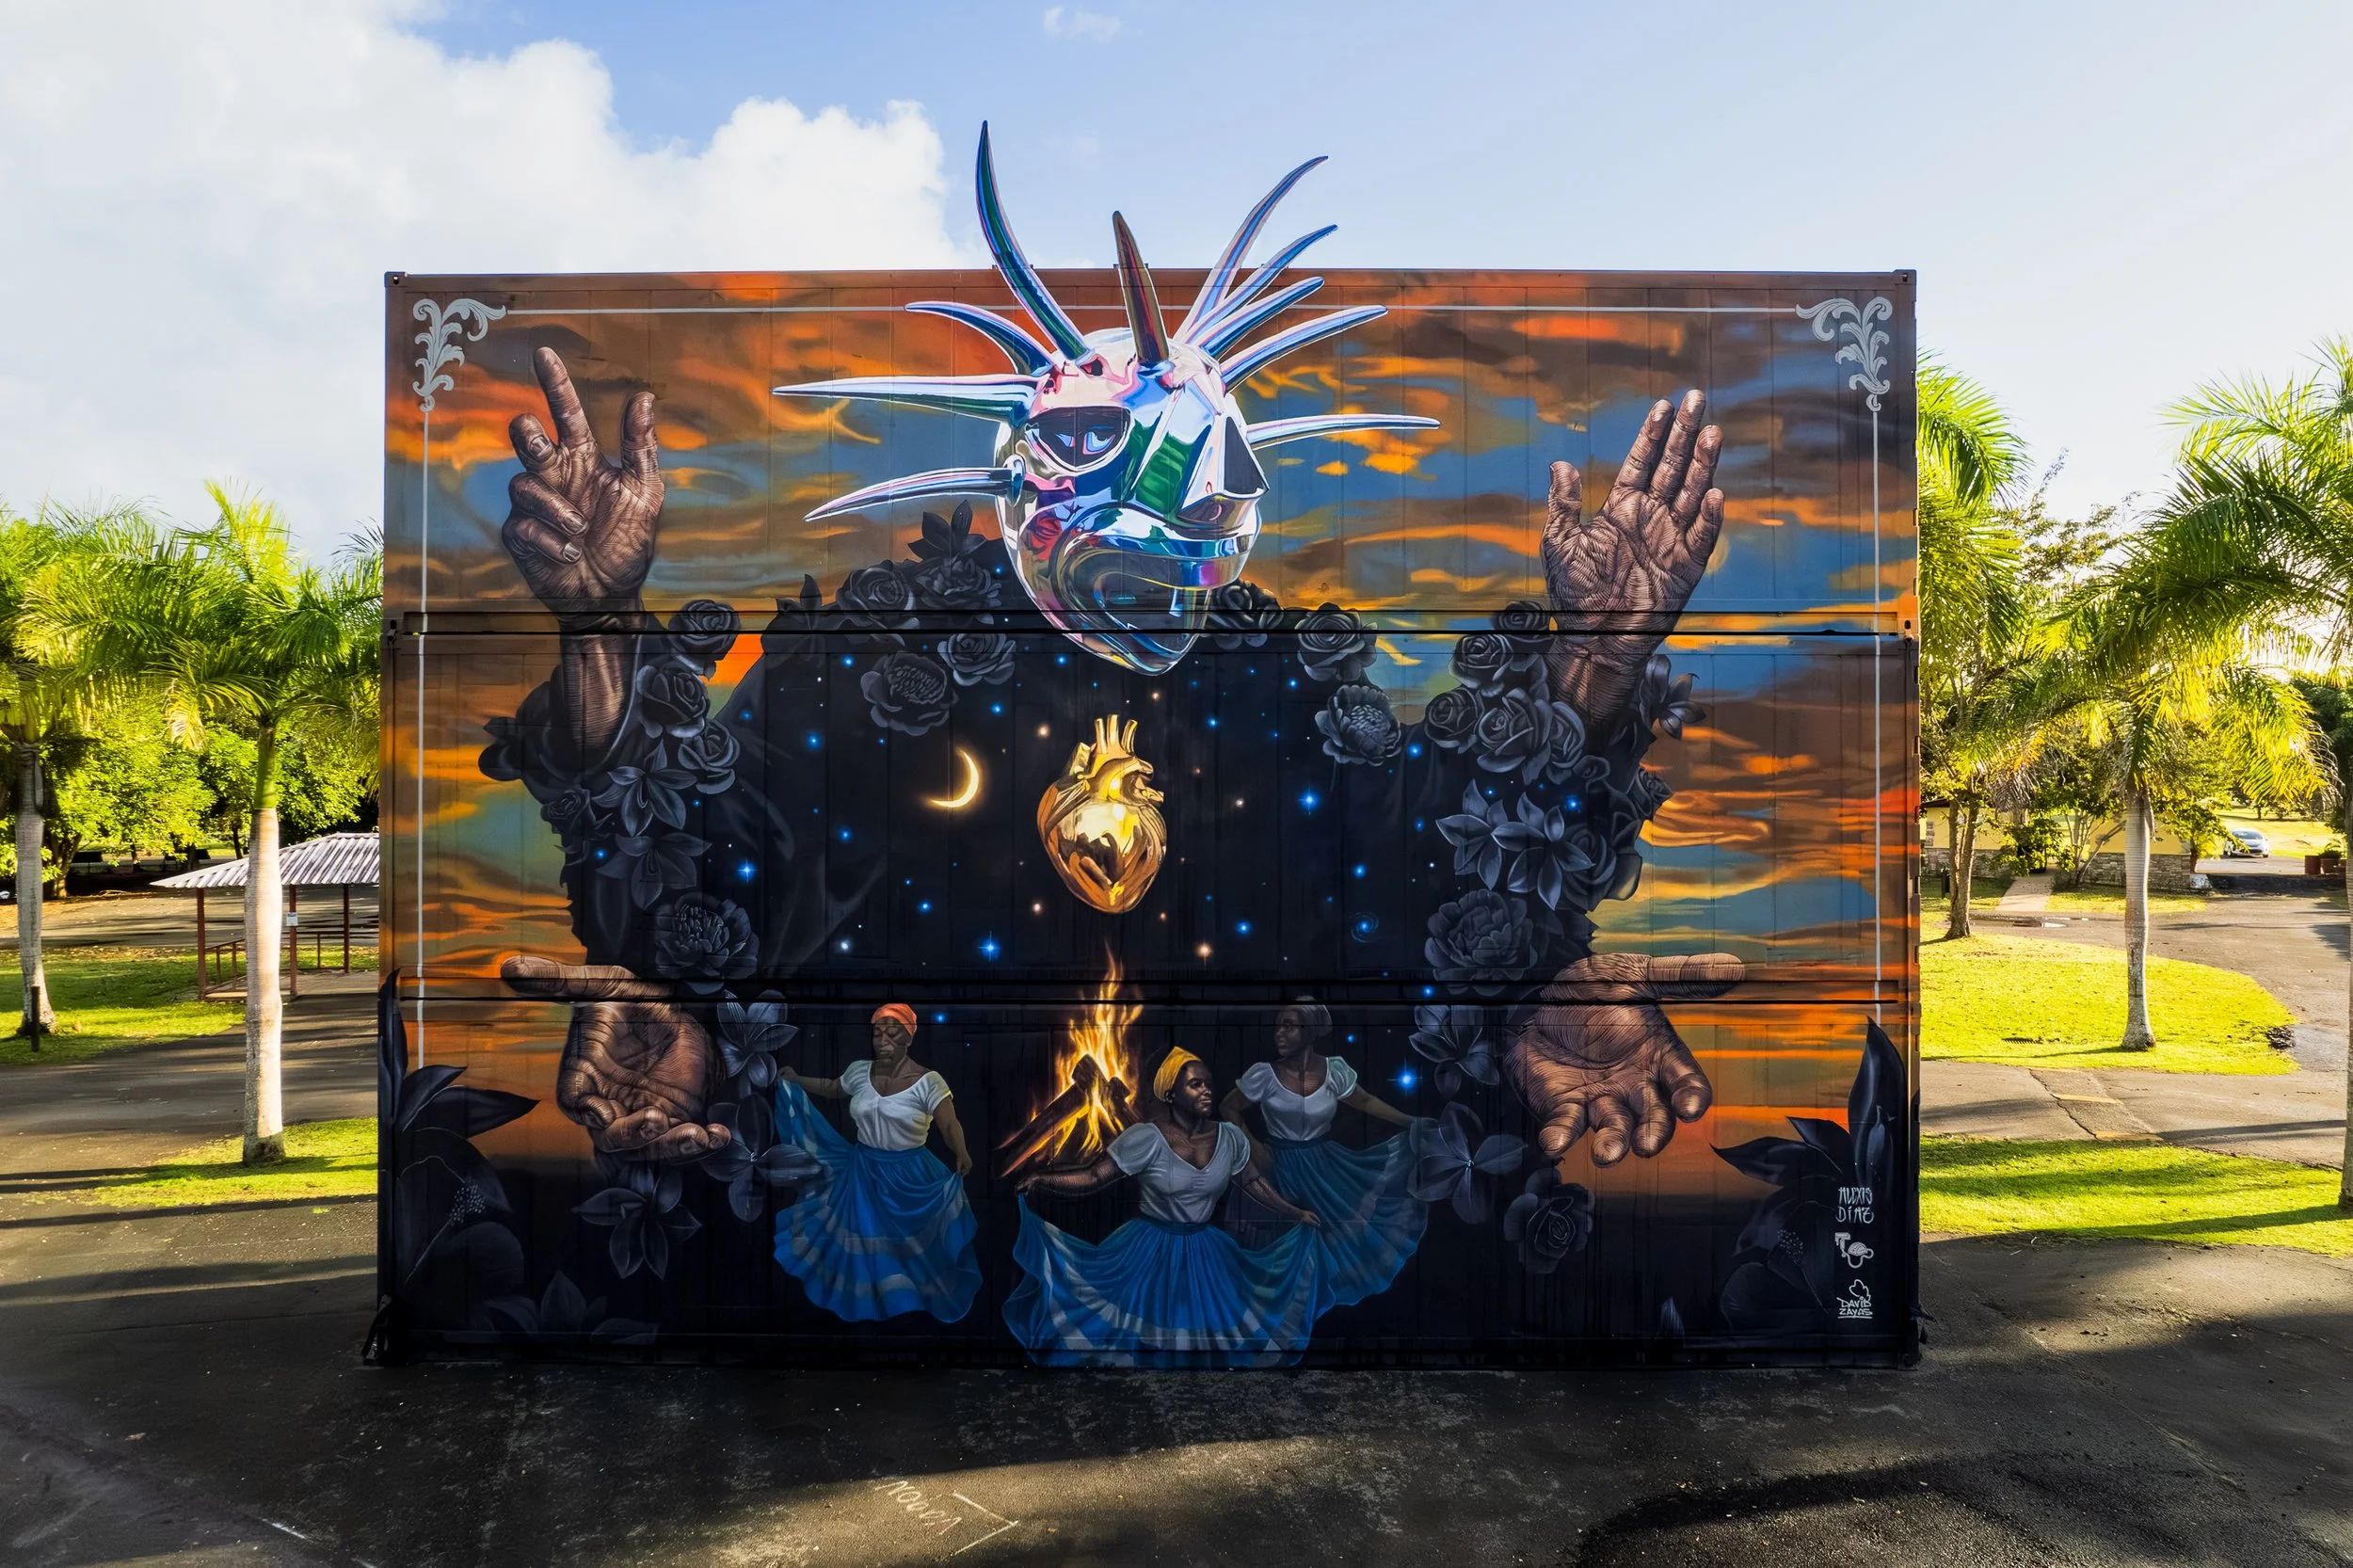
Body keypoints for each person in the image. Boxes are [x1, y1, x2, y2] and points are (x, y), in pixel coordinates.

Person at [1003, 1048, 1331, 1366]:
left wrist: (1295, 1213)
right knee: (1141, 1329)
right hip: (1149, 1249)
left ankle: (1191, 1393)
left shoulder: (1230, 1137)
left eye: (1208, 1083)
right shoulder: (1146, 1138)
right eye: (1195, 1084)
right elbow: (1094, 1176)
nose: (1206, 1090)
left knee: (1206, 1330)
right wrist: (1043, 1178)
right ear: (1171, 1094)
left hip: (1206, 1250)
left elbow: (1253, 1182)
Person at [772, 1003, 981, 1323]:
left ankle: (907, 1311)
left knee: (908, 1249)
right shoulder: (859, 1071)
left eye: (892, 1033)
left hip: (909, 1175)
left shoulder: (929, 1081)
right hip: (862, 1172)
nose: (883, 1040)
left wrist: (962, 1152)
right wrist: (798, 1080)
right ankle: (868, 1310)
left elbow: (949, 1125)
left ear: (909, 1037)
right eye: (878, 1033)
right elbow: (833, 1087)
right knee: (863, 1243)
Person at [1221, 1000, 1426, 1304]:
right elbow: (1228, 1107)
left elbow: (1366, 1102)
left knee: (1334, 1234)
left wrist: (1410, 1122)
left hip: (1324, 1163)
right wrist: (1254, 1146)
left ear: (1310, 1031)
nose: (1279, 1034)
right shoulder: (1264, 1074)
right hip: (1279, 1166)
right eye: (1277, 1027)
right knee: (1286, 1240)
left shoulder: (1334, 1070)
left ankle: (1323, 1302)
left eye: (1289, 1026)